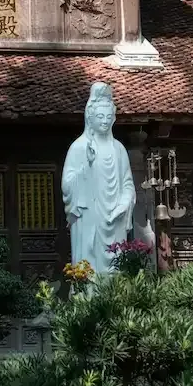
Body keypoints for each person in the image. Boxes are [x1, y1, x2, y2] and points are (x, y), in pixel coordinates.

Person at [61, 82, 136, 283]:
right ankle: (86, 296)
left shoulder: (119, 149)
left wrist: (123, 204)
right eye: (100, 116)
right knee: (88, 263)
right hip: (89, 216)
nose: (104, 121)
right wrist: (86, 166)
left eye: (108, 117)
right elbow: (67, 185)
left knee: (116, 265)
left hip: (115, 217)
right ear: (90, 117)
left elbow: (128, 183)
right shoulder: (79, 147)